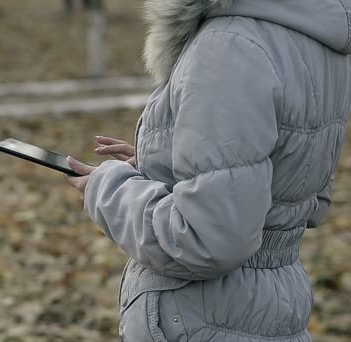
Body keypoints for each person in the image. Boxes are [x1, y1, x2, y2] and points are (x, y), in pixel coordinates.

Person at [65, 0, 351, 341]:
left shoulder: (229, 46)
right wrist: (166, 162)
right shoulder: (313, 32)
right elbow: (295, 190)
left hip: (199, 317)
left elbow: (204, 240)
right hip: (269, 308)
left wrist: (108, 187)